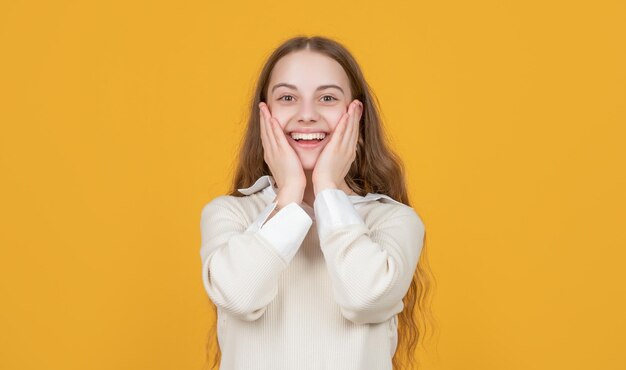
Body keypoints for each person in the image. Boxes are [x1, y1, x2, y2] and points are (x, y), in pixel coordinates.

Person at [199, 35, 433, 370]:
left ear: (357, 117)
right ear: (263, 115)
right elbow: (239, 295)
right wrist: (290, 192)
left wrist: (327, 189)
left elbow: (364, 298)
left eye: (327, 97)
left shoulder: (393, 221)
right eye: (287, 97)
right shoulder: (231, 214)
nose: (306, 114)